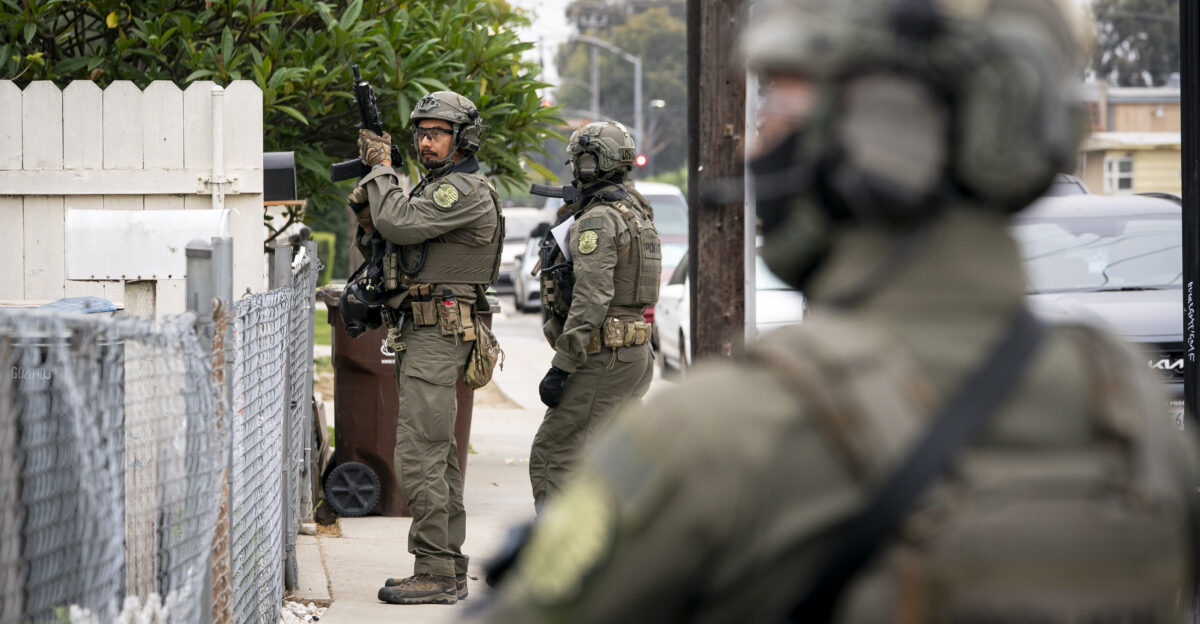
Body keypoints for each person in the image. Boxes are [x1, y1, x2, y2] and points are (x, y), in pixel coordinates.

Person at [474, 0, 1200, 621]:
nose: (759, 146)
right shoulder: (1127, 413)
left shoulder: (721, 432)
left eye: (781, 110)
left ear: (891, 133)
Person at [348, 90, 503, 606]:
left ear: (462, 140)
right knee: (437, 455)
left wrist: (383, 168)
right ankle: (446, 567)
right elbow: (382, 238)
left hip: (439, 333)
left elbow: (400, 223)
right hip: (423, 330)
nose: (425, 141)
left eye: (437, 133)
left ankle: (435, 571)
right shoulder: (435, 187)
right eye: (421, 132)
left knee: (419, 454)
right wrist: (371, 187)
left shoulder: (462, 189)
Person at [530, 121, 660, 511]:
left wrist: (562, 365)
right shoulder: (636, 211)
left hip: (604, 356)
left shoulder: (598, 219)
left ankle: (556, 568)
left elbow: (591, 298)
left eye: (578, 162)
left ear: (591, 164)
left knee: (554, 456)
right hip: (634, 354)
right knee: (611, 463)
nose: (574, 170)